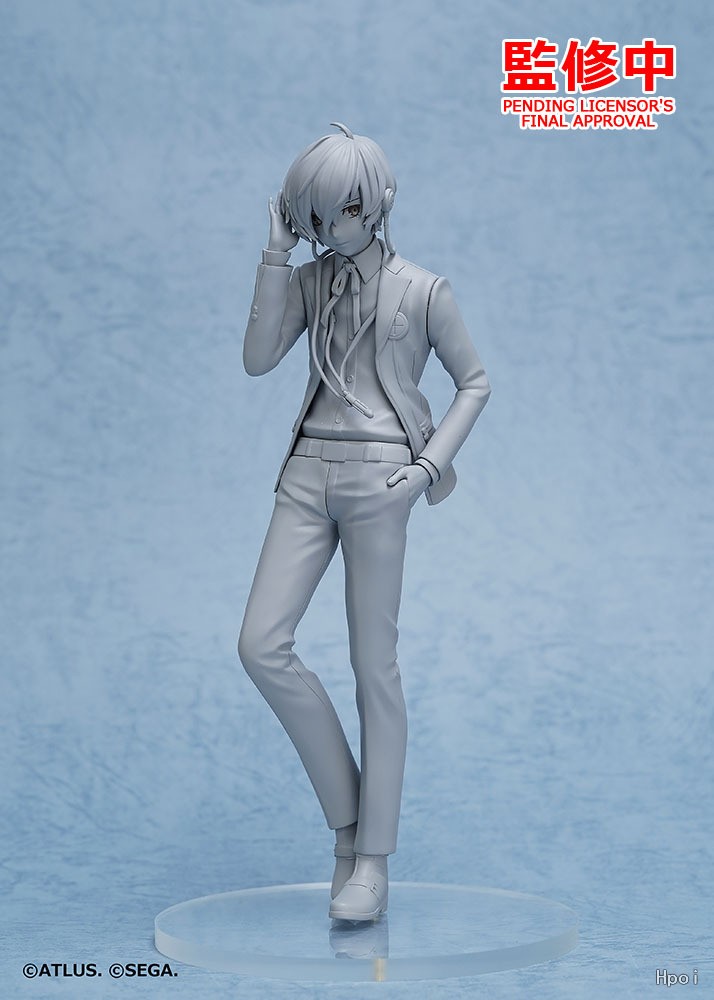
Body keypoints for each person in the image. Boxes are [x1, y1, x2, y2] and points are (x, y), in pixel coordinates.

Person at [238, 123, 490, 921]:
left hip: (382, 476)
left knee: (373, 666)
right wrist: (276, 254)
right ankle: (349, 819)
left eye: (342, 211)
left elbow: (475, 382)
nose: (332, 228)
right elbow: (257, 358)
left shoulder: (423, 289)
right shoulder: (309, 280)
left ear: (377, 201)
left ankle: (371, 859)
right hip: (306, 474)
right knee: (260, 644)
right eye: (315, 216)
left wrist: (426, 469)